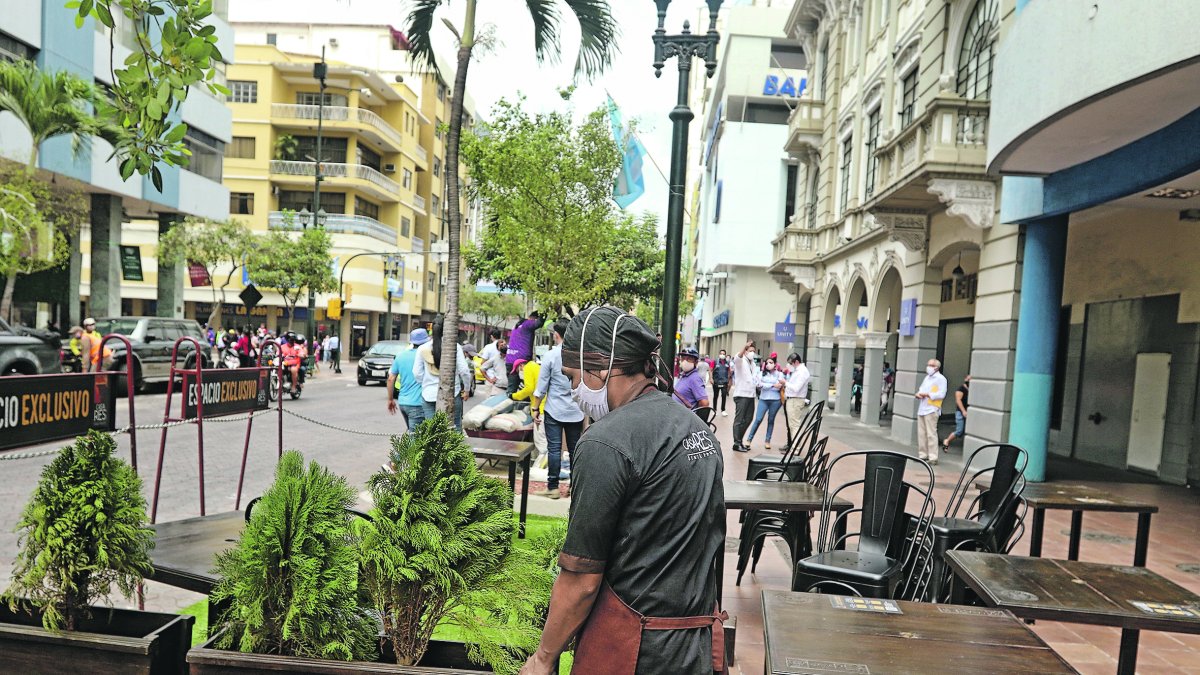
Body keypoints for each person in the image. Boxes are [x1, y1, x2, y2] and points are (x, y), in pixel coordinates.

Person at [519, 306, 725, 675]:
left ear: (602, 368)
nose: (572, 388)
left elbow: (582, 578)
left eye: (572, 376)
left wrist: (543, 658)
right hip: (695, 645)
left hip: (634, 650)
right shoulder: (696, 428)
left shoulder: (606, 442)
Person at [532, 320, 584, 500]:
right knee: (575, 449)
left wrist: (535, 408)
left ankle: (553, 487)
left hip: (554, 410)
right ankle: (573, 487)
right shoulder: (579, 355)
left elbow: (541, 387)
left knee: (554, 449)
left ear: (556, 334)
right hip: (576, 411)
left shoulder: (551, 356)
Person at [413, 317, 472, 430]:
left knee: (432, 432)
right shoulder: (455, 347)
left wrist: (427, 383)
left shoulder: (422, 348)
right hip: (452, 394)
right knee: (454, 429)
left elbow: (416, 373)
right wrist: (467, 390)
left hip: (429, 395)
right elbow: (464, 371)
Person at [387, 327, 431, 432]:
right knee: (415, 440)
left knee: (413, 434)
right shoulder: (426, 356)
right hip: (418, 404)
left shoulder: (400, 356)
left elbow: (391, 379)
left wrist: (390, 399)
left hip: (403, 403)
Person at [744, 356, 785, 450]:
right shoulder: (761, 374)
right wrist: (772, 385)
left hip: (776, 400)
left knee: (771, 420)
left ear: (775, 364)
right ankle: (749, 440)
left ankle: (767, 441)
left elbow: (780, 386)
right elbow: (759, 385)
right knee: (758, 419)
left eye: (771, 362)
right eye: (767, 363)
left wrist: (769, 385)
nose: (768, 364)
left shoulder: (779, 374)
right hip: (763, 399)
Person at [915, 358, 948, 464]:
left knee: (931, 433)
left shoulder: (941, 379)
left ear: (936, 367)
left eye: (931, 365)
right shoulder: (927, 378)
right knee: (922, 433)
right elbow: (921, 389)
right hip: (922, 408)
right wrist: (919, 394)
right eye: (928, 364)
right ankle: (923, 455)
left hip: (932, 408)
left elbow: (941, 394)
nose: (928, 367)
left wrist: (928, 395)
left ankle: (933, 457)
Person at [506, 310, 545, 396]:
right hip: (521, 361)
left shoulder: (517, 326)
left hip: (510, 360)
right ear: (534, 318)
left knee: (512, 389)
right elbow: (539, 323)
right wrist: (545, 313)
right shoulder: (528, 323)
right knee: (527, 388)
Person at [730, 340, 759, 453]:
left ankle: (739, 440)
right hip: (741, 395)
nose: (752, 353)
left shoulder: (753, 364)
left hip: (751, 395)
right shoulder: (741, 362)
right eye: (750, 351)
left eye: (754, 351)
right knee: (739, 420)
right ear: (746, 352)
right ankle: (737, 443)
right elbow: (737, 357)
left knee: (748, 419)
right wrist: (744, 346)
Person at [783, 353, 811, 446]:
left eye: (791, 363)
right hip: (793, 400)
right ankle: (794, 447)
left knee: (794, 425)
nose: (790, 366)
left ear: (796, 362)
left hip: (795, 400)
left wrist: (785, 383)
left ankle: (796, 448)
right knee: (792, 425)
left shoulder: (802, 371)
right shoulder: (798, 371)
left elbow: (796, 388)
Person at [943, 374, 970, 452]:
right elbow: (958, 400)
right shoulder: (961, 389)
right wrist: (963, 411)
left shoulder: (972, 389)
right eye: (969, 379)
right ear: (965, 379)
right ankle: (947, 441)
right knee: (959, 431)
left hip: (968, 412)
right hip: (960, 412)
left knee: (964, 431)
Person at [711, 349, 731, 416]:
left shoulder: (727, 363)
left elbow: (729, 371)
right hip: (716, 381)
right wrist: (711, 379)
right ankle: (714, 410)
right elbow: (710, 370)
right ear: (719, 354)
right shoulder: (715, 361)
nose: (722, 355)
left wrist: (729, 380)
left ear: (725, 355)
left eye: (723, 354)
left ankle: (723, 410)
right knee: (715, 396)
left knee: (724, 396)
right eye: (721, 353)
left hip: (724, 382)